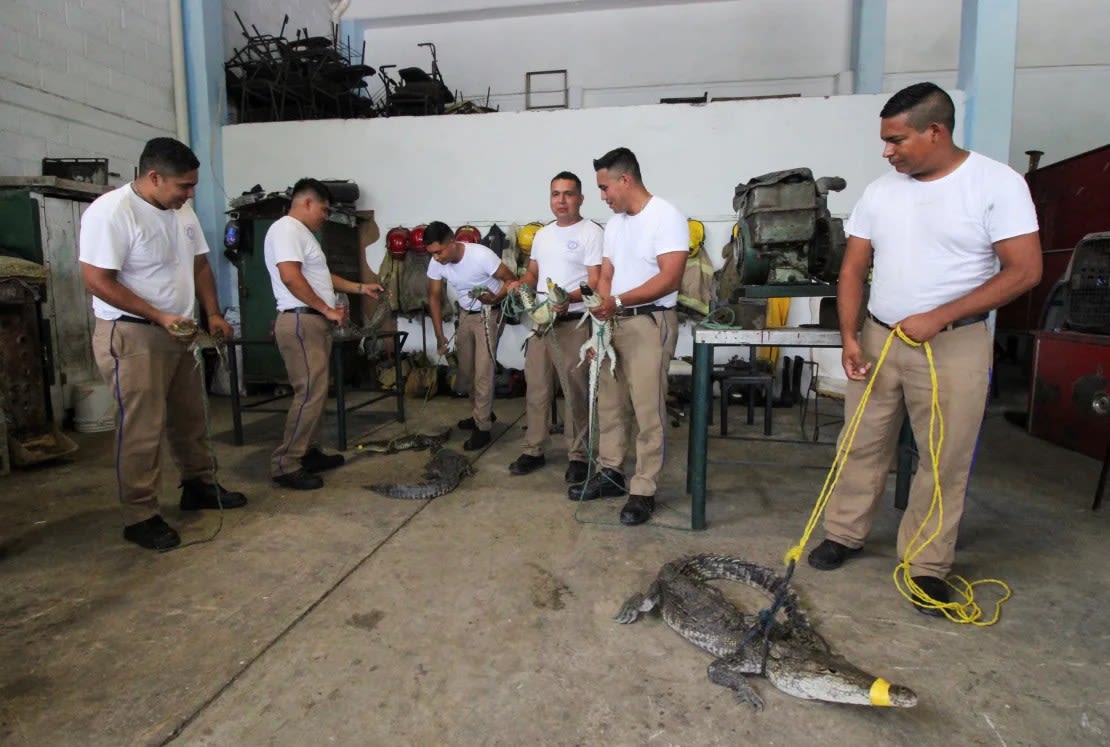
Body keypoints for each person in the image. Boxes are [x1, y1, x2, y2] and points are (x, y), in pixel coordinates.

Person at [805, 82, 1042, 615]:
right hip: (878, 336)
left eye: (896, 140)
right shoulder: (881, 191)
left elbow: (1026, 270)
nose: (886, 152)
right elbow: (853, 268)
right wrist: (849, 334)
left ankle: (927, 564)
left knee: (943, 456)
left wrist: (939, 316)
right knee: (859, 443)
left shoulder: (995, 184)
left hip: (953, 344)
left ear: (935, 131)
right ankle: (845, 533)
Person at [80, 137, 247, 551]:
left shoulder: (181, 211)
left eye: (192, 186)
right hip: (133, 334)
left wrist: (212, 313)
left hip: (180, 332)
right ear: (154, 177)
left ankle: (198, 486)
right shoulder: (112, 212)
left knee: (191, 418)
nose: (190, 194)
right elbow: (97, 280)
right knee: (141, 429)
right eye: (183, 186)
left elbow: (200, 263)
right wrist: (159, 316)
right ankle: (140, 515)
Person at [568, 147, 688, 526]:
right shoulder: (616, 224)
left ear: (626, 179)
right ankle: (610, 472)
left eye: (605, 188)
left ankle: (644, 489)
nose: (603, 197)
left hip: (649, 323)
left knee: (648, 408)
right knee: (610, 402)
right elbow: (606, 272)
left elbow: (669, 277)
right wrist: (600, 322)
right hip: (613, 322)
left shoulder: (666, 216)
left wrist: (617, 300)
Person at [265, 178, 382, 491]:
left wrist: (360, 287)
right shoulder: (287, 228)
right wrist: (326, 309)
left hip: (312, 322)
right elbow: (290, 277)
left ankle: (309, 452)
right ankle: (286, 464)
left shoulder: (303, 234)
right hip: (302, 322)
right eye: (324, 209)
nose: (325, 216)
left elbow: (320, 276)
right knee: (308, 394)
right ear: (307, 202)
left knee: (316, 392)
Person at [503, 171, 603, 483]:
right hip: (541, 324)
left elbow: (596, 281)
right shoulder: (544, 234)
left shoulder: (592, 233)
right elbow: (534, 272)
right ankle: (534, 448)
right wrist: (522, 286)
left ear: (580, 199)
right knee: (537, 388)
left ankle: (578, 454)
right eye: (555, 194)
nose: (561, 200)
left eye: (568, 194)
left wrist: (566, 299)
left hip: (573, 323)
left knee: (575, 390)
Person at [425, 221, 516, 451]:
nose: (436, 258)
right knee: (466, 371)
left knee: (483, 371)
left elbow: (511, 279)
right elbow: (434, 297)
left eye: (439, 252)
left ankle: (482, 427)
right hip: (466, 314)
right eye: (432, 253)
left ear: (452, 242)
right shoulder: (436, 262)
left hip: (491, 313)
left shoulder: (481, 256)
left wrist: (495, 298)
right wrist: (439, 336)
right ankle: (482, 413)